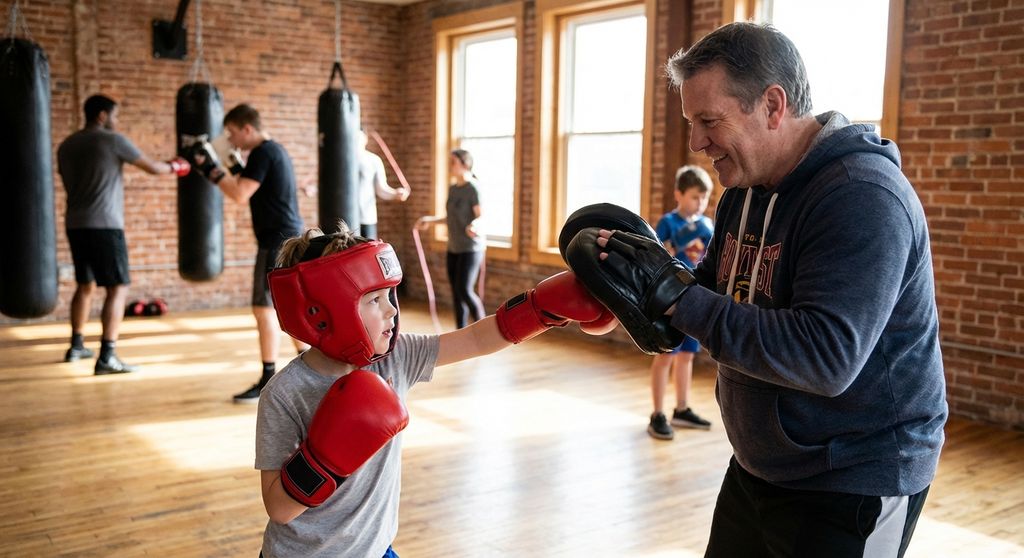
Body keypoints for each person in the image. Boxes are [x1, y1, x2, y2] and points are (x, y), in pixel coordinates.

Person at [584, 22, 947, 557]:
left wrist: (677, 296)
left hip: (854, 476)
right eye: (691, 122)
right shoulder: (744, 188)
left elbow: (824, 357)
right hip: (762, 463)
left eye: (709, 121)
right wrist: (632, 294)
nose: (696, 142)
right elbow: (711, 291)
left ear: (773, 106)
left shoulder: (861, 197)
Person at [254, 224, 616, 557]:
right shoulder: (285, 394)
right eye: (373, 300)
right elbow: (280, 509)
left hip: (376, 549)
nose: (392, 312)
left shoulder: (395, 357)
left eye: (389, 295)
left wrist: (545, 307)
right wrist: (324, 458)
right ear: (324, 312)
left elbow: (477, 338)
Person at [58, 94, 191, 375]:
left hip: (75, 223)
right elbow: (154, 168)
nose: (116, 121)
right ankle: (107, 355)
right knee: (117, 288)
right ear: (103, 116)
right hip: (105, 224)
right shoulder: (111, 140)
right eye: (115, 116)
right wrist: (179, 166)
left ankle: (76, 345)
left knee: (85, 285)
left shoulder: (67, 145)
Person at [190, 103, 307, 403]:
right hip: (285, 235)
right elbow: (250, 181)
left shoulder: (263, 153)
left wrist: (208, 169)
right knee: (286, 306)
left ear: (247, 129)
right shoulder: (273, 151)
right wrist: (224, 163)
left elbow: (240, 193)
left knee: (264, 308)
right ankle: (310, 366)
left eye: (232, 133)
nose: (230, 140)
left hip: (277, 239)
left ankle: (268, 378)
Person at [646, 165, 714, 440]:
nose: (700, 204)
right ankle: (657, 413)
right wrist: (681, 239)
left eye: (704, 198)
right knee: (666, 356)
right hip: (669, 298)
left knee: (687, 355)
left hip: (693, 296)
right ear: (679, 194)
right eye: (695, 197)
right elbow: (658, 256)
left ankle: (682, 408)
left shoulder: (706, 225)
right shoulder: (668, 223)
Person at [414, 148, 485, 329]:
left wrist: (475, 225)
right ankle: (460, 331)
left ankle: (483, 328)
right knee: (456, 292)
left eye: (453, 162)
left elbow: (481, 217)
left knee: (464, 290)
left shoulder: (473, 189)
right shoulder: (453, 189)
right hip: (453, 247)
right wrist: (430, 221)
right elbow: (451, 218)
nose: (450, 166)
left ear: (465, 164)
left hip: (471, 248)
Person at [358, 129, 410, 239]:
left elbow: (381, 189)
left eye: (358, 136)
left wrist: (396, 194)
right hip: (343, 220)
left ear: (365, 139)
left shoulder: (373, 160)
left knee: (367, 254)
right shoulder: (337, 159)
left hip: (367, 218)